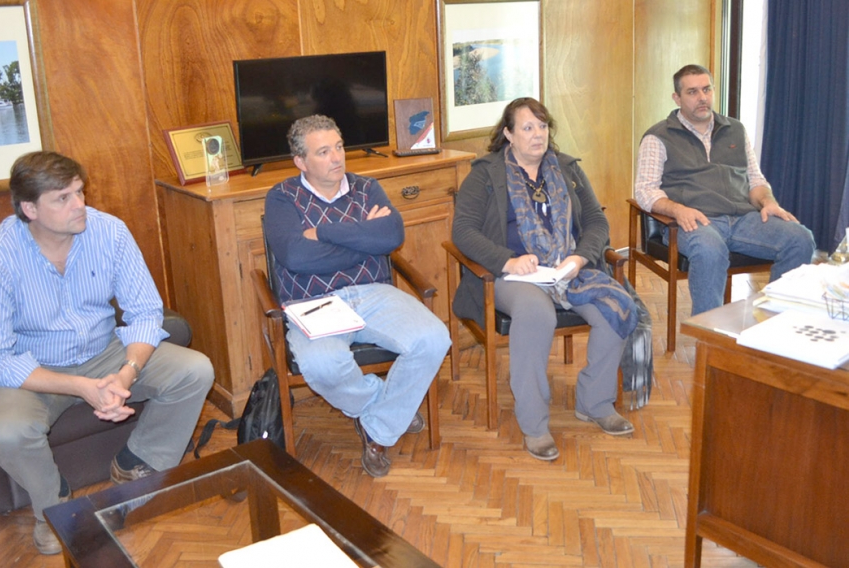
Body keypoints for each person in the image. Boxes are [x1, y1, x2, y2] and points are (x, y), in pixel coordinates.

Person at [0, 151, 214, 555]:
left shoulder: (109, 232)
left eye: (79, 192)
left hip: (106, 351)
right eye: (63, 198)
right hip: (35, 369)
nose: (80, 204)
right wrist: (82, 387)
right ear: (30, 209)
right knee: (7, 432)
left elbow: (145, 312)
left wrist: (126, 372)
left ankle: (136, 463)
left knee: (195, 370)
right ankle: (53, 505)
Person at [263, 115, 450, 478]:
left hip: (373, 293)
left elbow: (391, 236)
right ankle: (385, 407)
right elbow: (296, 256)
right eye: (323, 152)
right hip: (314, 303)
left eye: (339, 147)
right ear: (301, 161)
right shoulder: (282, 197)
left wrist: (324, 233)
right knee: (322, 364)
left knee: (433, 338)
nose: (337, 157)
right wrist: (363, 239)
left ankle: (377, 428)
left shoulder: (367, 188)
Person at [452, 97, 638, 462]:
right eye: (527, 127)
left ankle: (595, 402)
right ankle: (535, 424)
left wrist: (579, 257)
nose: (538, 134)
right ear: (508, 134)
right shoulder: (485, 174)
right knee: (537, 315)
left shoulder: (567, 168)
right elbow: (463, 231)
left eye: (542, 126)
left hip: (566, 270)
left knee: (617, 305)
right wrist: (508, 260)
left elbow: (597, 221)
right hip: (513, 276)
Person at [634, 64, 815, 315]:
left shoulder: (735, 130)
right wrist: (678, 210)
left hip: (743, 219)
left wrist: (768, 202)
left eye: (706, 89)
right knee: (710, 250)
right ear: (677, 98)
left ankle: (774, 320)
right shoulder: (658, 136)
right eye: (692, 92)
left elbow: (755, 180)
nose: (702, 97)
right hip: (694, 221)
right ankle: (707, 334)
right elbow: (645, 191)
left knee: (800, 239)